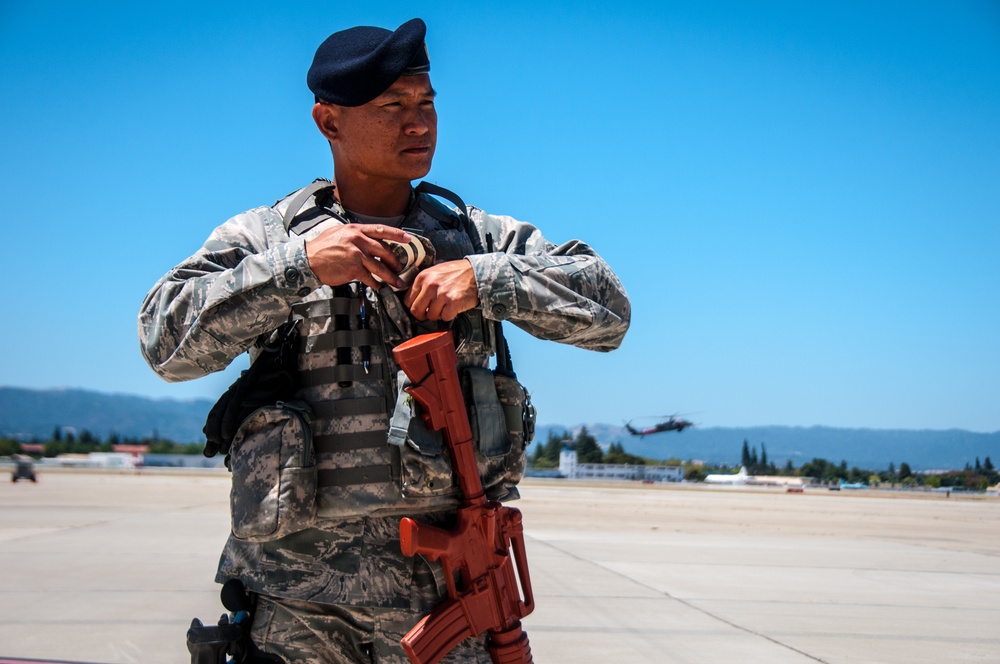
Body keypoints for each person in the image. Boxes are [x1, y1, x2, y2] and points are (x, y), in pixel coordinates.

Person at [139, 17, 630, 663]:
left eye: (426, 104)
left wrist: (489, 280)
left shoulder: (477, 239)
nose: (418, 124)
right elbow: (165, 343)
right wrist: (298, 268)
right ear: (329, 121)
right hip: (297, 601)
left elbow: (609, 312)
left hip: (445, 594)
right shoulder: (267, 238)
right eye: (392, 107)